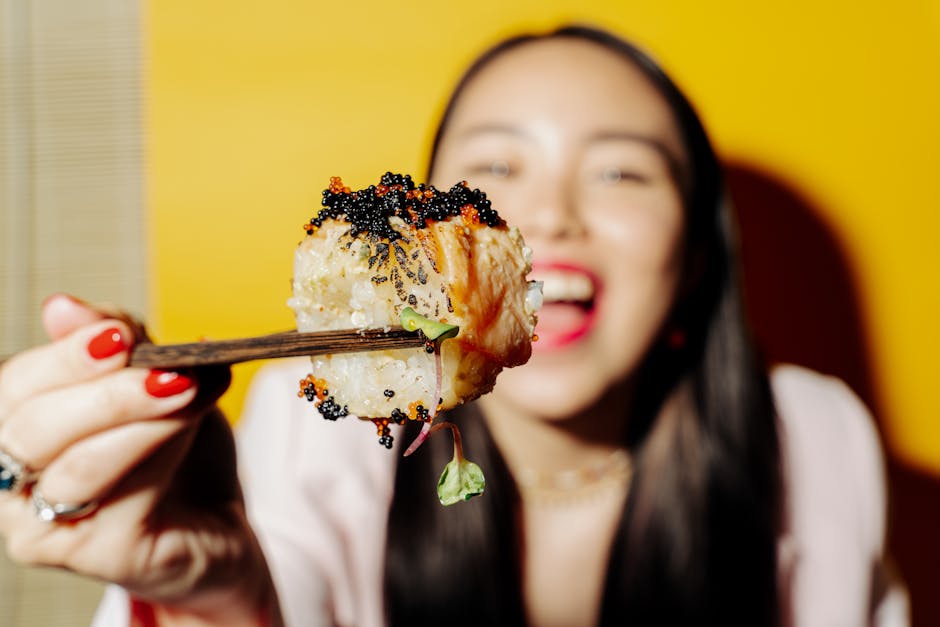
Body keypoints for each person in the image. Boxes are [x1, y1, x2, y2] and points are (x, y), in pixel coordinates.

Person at [0, 25, 907, 627]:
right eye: (494, 168)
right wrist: (222, 596)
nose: (549, 214)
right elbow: (284, 590)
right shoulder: (315, 432)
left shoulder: (811, 439)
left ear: (697, 258)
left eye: (622, 173)